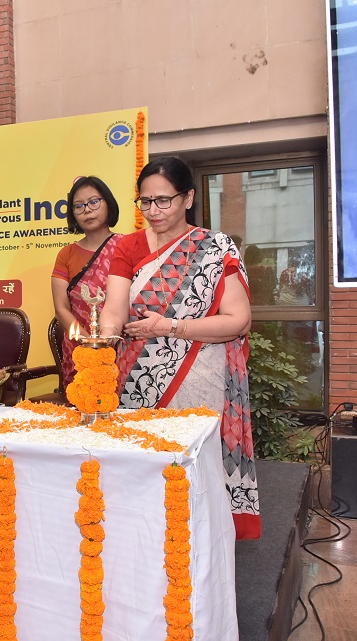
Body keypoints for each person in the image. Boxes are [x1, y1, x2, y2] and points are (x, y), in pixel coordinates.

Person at [99, 156, 261, 540]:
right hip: (135, 380)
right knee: (142, 472)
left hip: (199, 376)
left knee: (193, 473)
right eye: (145, 202)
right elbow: (114, 309)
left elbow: (238, 320)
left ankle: (201, 549)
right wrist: (104, 337)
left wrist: (170, 326)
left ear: (187, 198)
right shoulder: (127, 246)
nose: (153, 211)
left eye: (163, 200)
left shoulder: (215, 248)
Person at [51, 176, 124, 387]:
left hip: (122, 346)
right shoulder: (66, 255)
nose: (87, 210)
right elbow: (61, 309)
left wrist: (108, 342)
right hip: (79, 350)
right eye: (79, 206)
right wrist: (89, 344)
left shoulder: (127, 246)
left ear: (108, 203)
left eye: (94, 202)